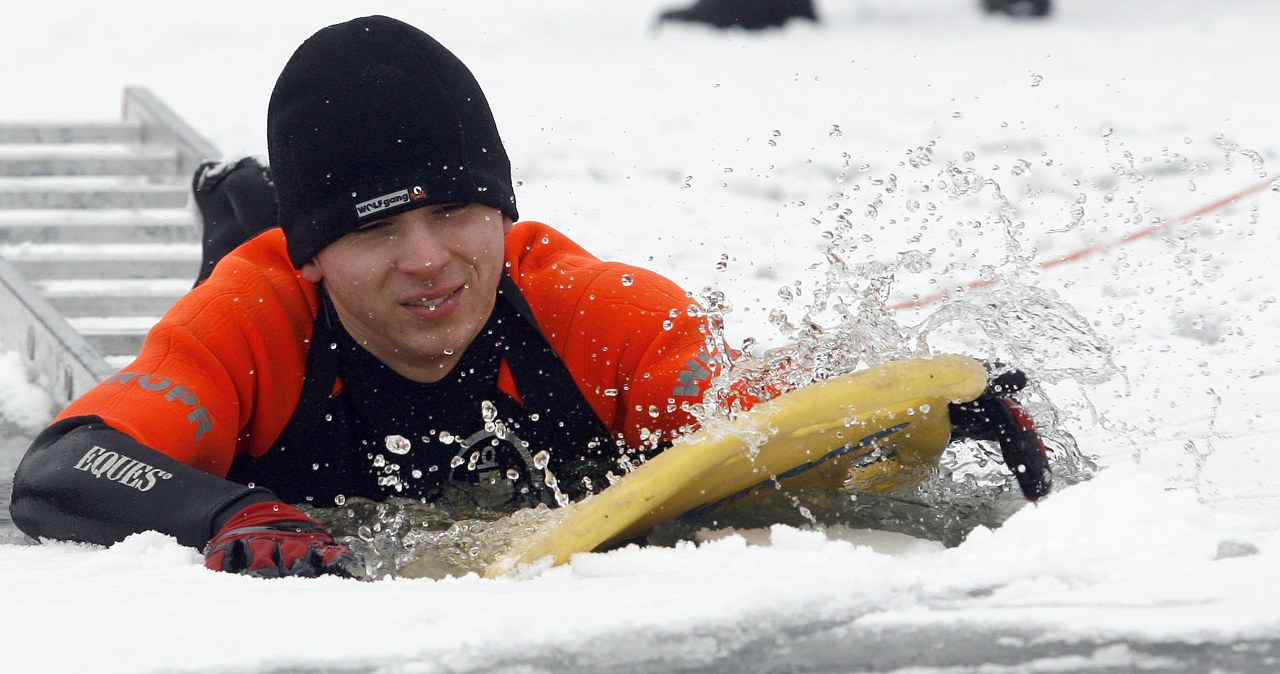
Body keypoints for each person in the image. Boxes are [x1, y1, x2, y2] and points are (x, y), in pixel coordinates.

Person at [9, 15, 1049, 579]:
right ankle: (242, 216)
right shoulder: (253, 318)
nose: (428, 260)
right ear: (312, 256)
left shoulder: (595, 311)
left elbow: (750, 414)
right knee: (231, 276)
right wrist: (230, 509)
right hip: (258, 291)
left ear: (504, 210)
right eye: (375, 229)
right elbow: (62, 465)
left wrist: (918, 405)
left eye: (457, 211)